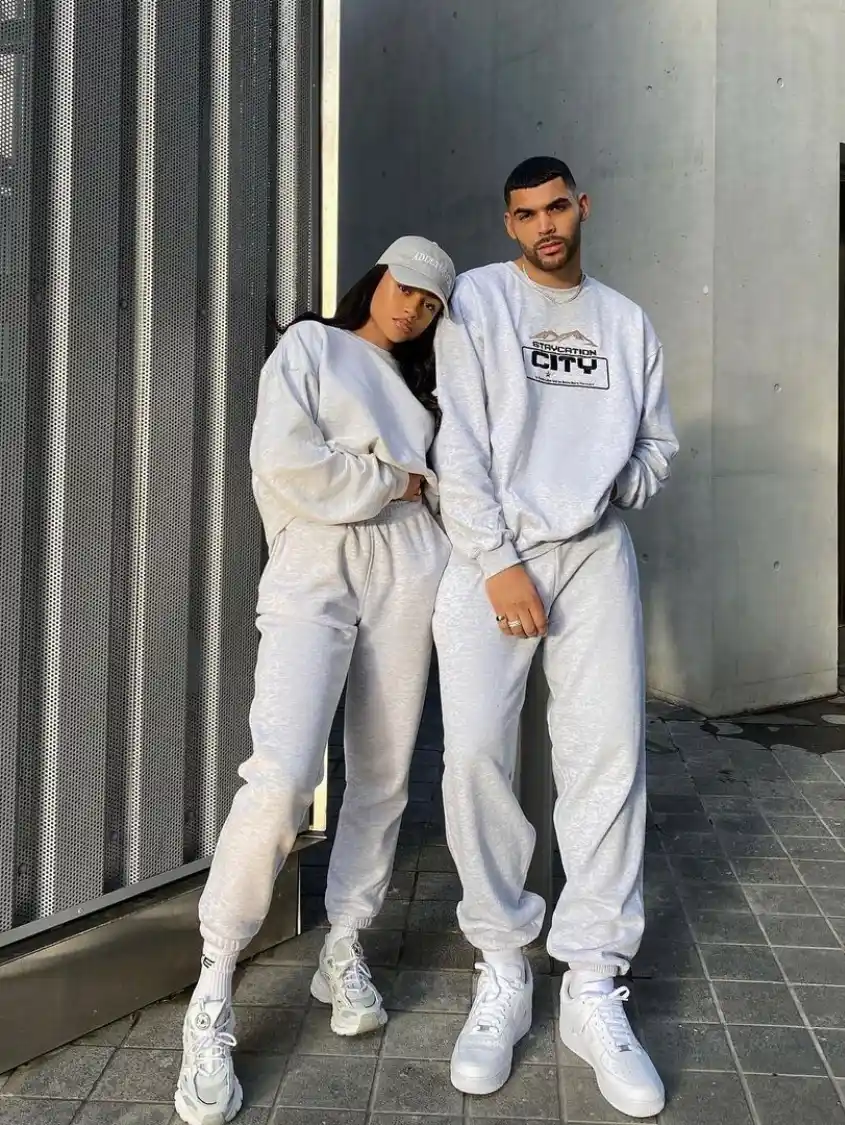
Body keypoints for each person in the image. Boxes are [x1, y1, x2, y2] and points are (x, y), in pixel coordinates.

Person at [174, 236, 456, 1125]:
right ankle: (214, 983)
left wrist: (408, 490)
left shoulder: (422, 394)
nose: (412, 306)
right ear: (376, 278)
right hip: (315, 562)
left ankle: (345, 942)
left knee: (382, 770)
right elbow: (288, 462)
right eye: (405, 286)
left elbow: (443, 492)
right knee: (286, 770)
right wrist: (389, 480)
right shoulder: (310, 346)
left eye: (432, 303)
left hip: (411, 567)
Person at [431, 157, 677, 1119]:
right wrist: (494, 558)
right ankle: (503, 963)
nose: (546, 225)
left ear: (584, 206)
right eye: (527, 213)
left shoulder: (625, 321)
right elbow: (457, 439)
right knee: (475, 760)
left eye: (559, 207)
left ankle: (591, 980)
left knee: (608, 756)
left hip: (593, 557)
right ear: (508, 221)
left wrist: (612, 492)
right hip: (492, 555)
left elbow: (655, 443)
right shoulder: (479, 305)